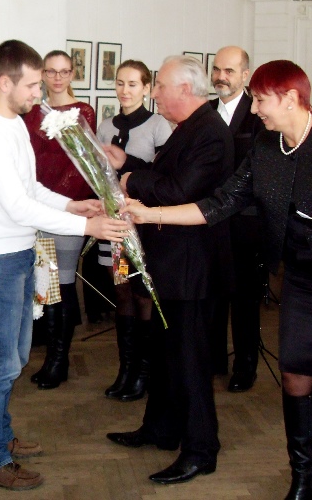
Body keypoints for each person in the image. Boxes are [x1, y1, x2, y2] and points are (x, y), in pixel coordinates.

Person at [124, 59, 312, 499]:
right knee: (295, 379)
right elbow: (220, 203)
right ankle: (304, 479)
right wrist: (150, 212)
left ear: (290, 98)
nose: (254, 110)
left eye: (261, 100)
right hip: (300, 282)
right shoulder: (266, 146)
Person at [0, 39, 128, 490]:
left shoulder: (12, 122)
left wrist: (72, 205)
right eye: (33, 84)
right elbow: (17, 206)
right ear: (5, 82)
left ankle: (0, 437)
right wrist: (88, 227)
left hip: (13, 253)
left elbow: (29, 187)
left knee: (12, 358)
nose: (40, 92)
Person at [104, 55, 233, 485]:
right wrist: (127, 166)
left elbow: (180, 190)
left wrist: (130, 182)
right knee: (165, 353)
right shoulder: (190, 128)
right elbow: (166, 176)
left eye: (160, 85)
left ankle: (201, 449)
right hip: (173, 264)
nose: (155, 93)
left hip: (192, 268)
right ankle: (161, 428)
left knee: (190, 361)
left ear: (185, 90)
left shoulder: (210, 132)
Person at [96, 59, 171, 401]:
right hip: (115, 227)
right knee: (122, 290)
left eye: (132, 84)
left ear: (146, 88)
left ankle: (144, 372)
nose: (124, 90)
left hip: (144, 227)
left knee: (143, 295)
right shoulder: (105, 126)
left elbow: (163, 178)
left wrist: (126, 165)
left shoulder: (159, 125)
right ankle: (125, 369)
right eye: (120, 83)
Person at [22, 50, 97, 390]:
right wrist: (36, 200)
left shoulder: (82, 112)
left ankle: (59, 360)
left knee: (63, 284)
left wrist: (60, 205)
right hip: (34, 206)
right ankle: (50, 356)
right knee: (43, 282)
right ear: (42, 75)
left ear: (72, 75)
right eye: (51, 71)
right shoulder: (31, 112)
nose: (57, 78)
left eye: (64, 71)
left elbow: (82, 164)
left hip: (69, 209)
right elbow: (28, 160)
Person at [208, 46, 265, 391]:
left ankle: (246, 366)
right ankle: (214, 359)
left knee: (244, 299)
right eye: (216, 69)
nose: (220, 77)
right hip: (210, 221)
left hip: (245, 222)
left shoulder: (257, 116)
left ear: (245, 75)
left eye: (228, 71)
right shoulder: (205, 113)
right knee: (212, 293)